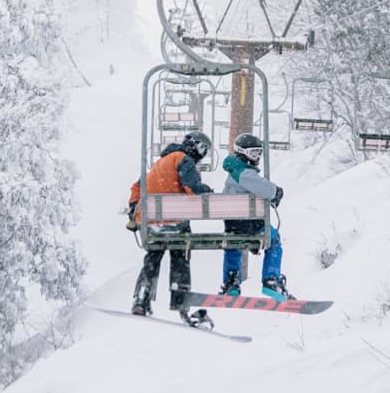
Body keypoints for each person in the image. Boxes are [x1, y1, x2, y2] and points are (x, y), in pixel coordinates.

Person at [126, 131, 213, 321]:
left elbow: (137, 187)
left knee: (153, 256)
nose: (202, 154)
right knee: (180, 254)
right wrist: (207, 190)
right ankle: (180, 297)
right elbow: (193, 189)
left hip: (152, 223)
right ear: (194, 145)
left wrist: (134, 209)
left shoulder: (160, 163)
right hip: (175, 223)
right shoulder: (183, 160)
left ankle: (142, 297)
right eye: (202, 149)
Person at [220, 133, 295, 301]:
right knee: (273, 240)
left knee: (233, 244)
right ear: (242, 152)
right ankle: (271, 280)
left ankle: (231, 282)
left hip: (233, 226)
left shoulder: (234, 172)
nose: (257, 157)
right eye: (253, 153)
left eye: (259, 153)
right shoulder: (243, 173)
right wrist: (276, 192)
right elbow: (265, 188)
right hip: (250, 225)